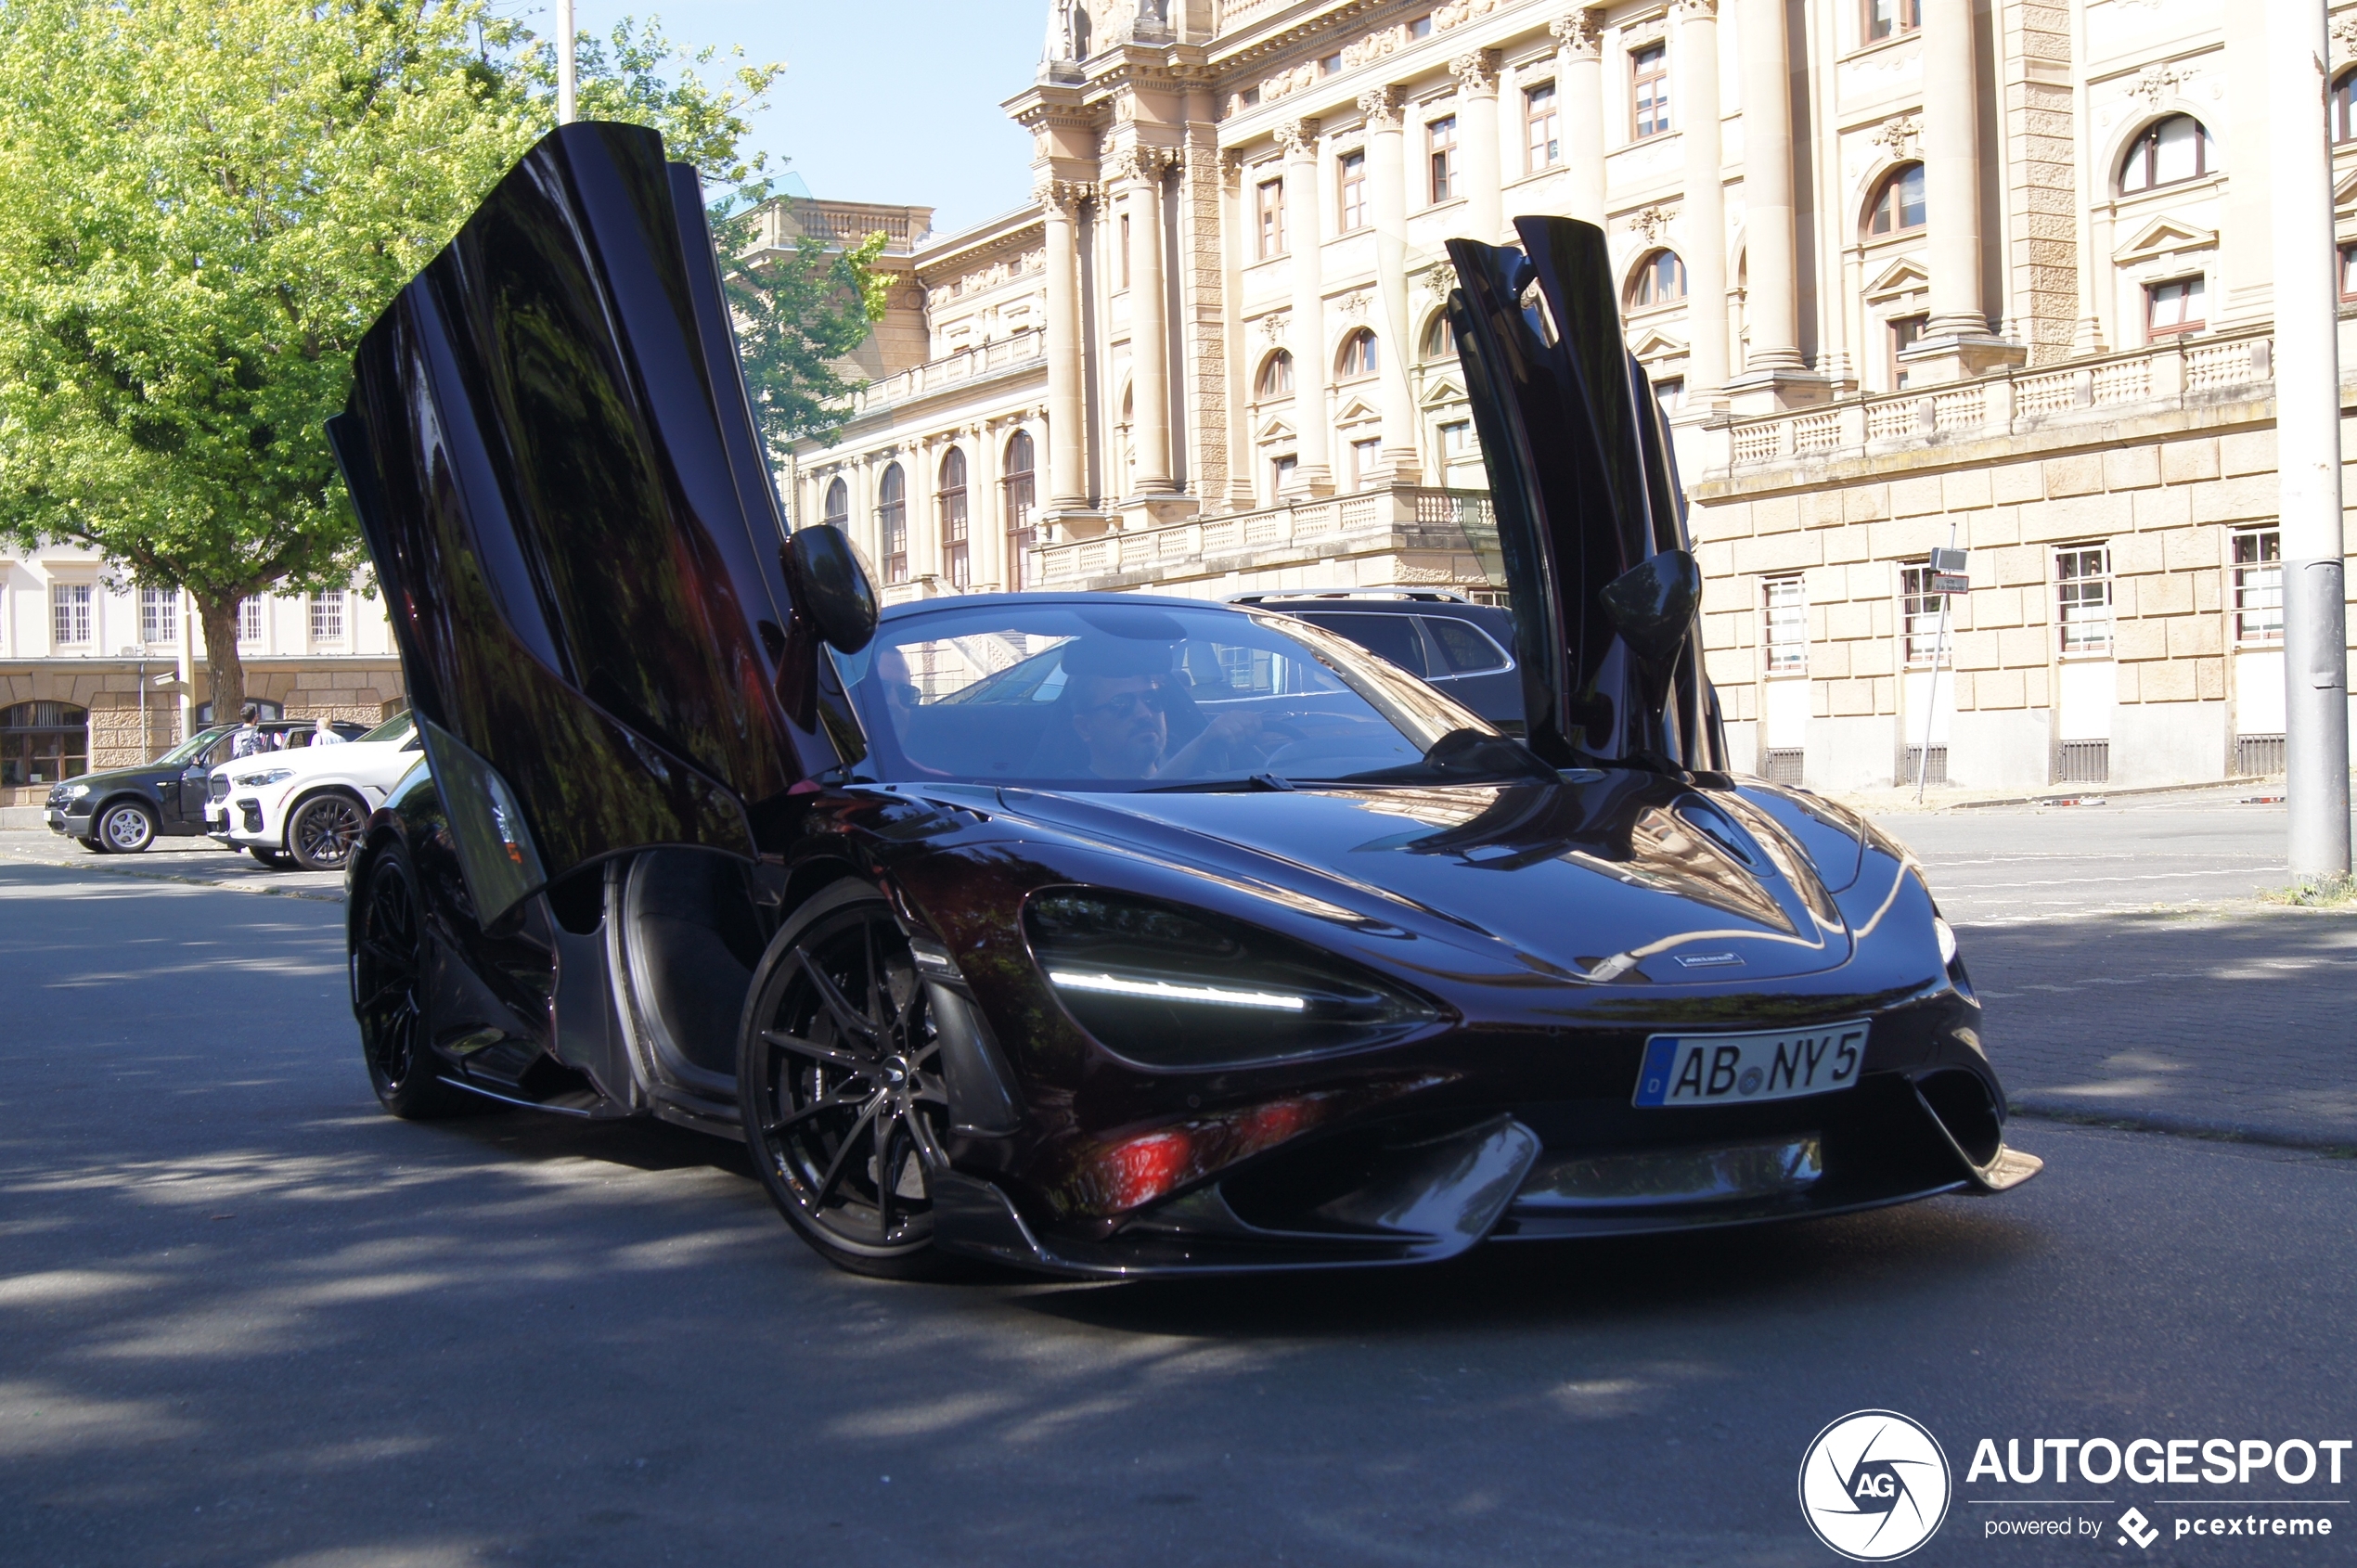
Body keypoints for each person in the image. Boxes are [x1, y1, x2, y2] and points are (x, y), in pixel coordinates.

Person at [1060, 636, 1289, 780]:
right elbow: (1137, 808)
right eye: (1121, 704)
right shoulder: (1069, 795)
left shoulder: (1207, 778)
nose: (1144, 713)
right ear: (1084, 728)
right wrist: (1202, 743)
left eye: (1152, 699)